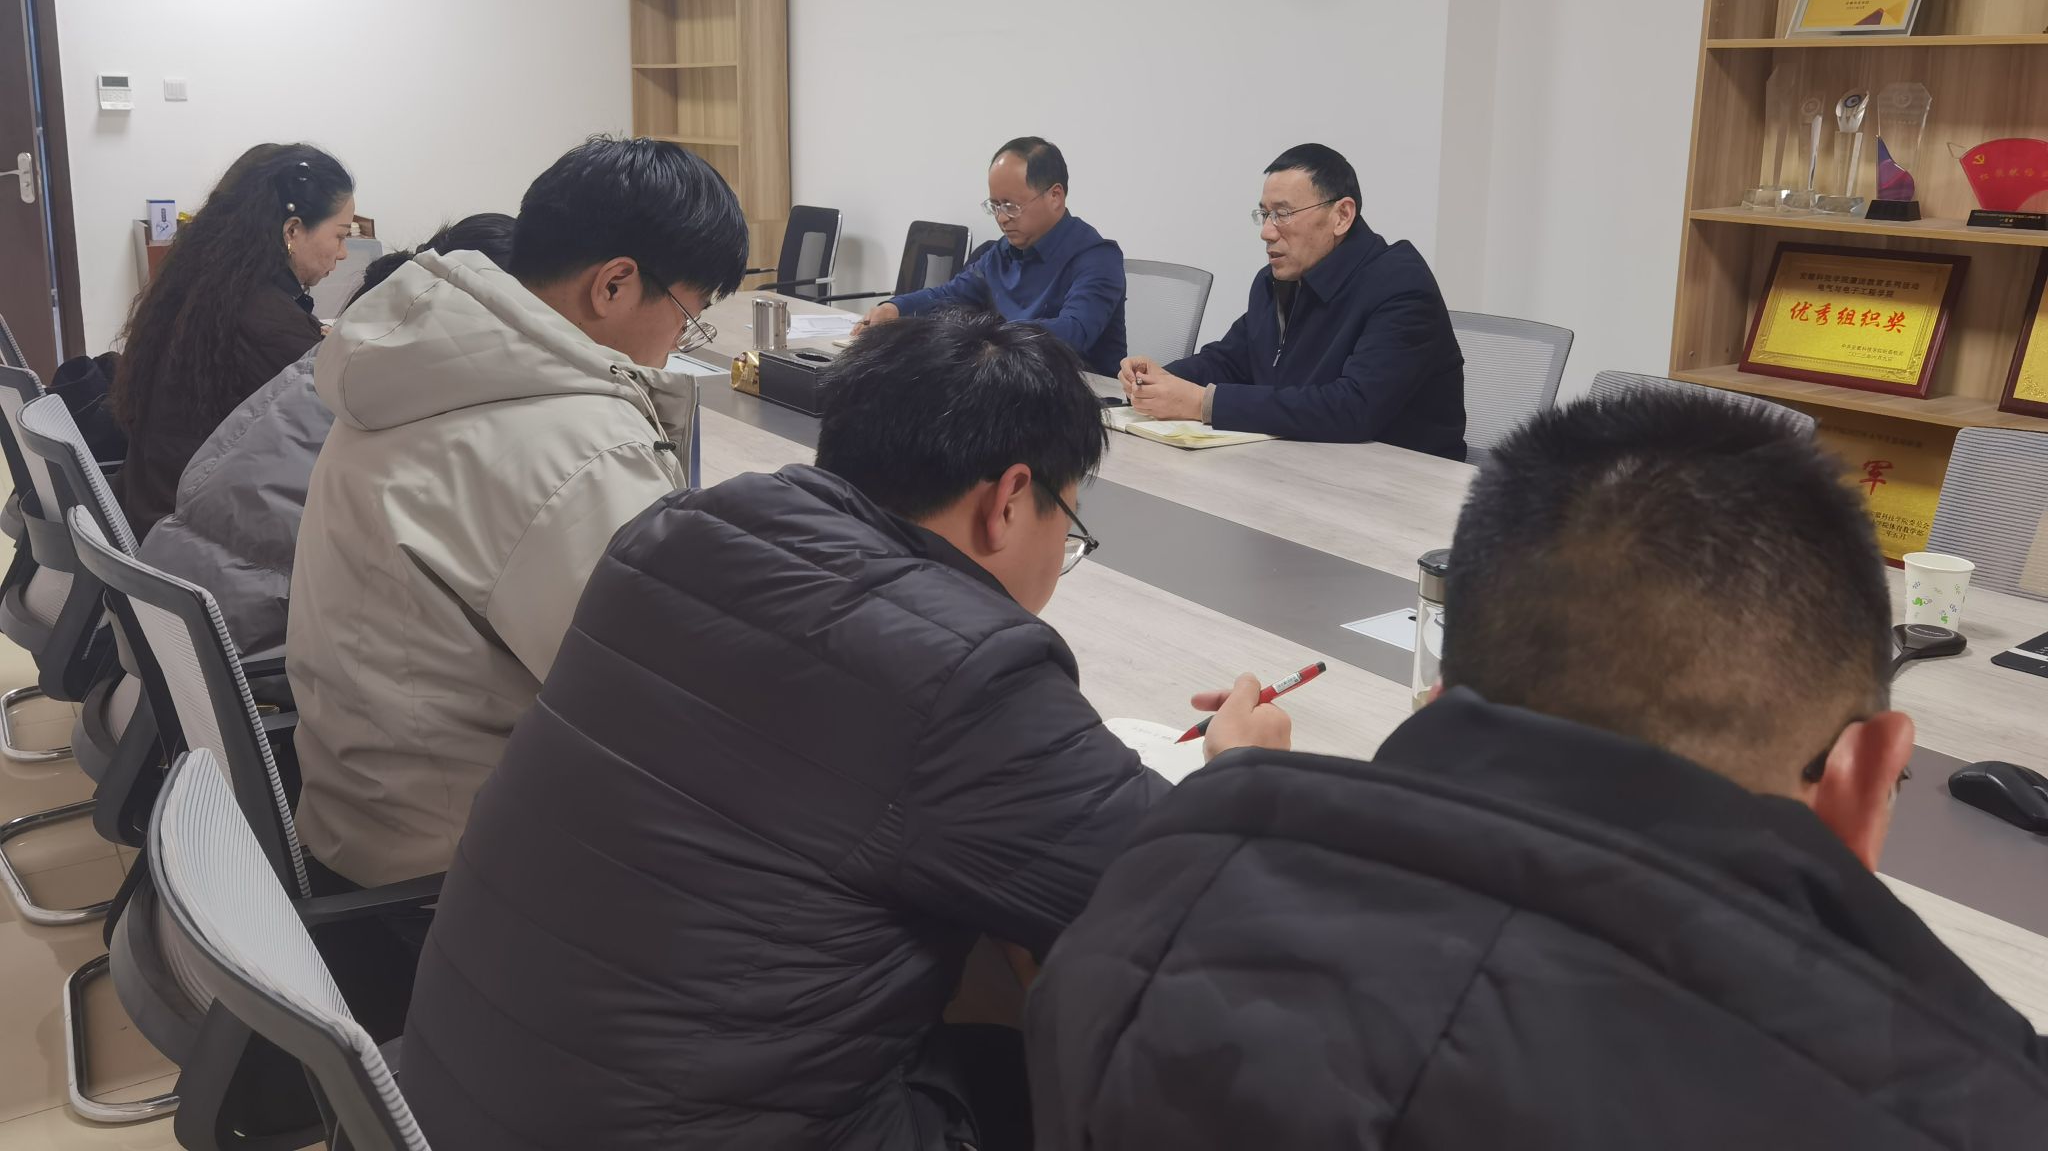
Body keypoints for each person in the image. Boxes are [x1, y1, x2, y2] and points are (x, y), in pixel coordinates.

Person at [1026, 391, 2048, 1149]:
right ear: (1868, 780)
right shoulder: (1971, 1104)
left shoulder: (1153, 903)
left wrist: (1237, 790)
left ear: (1436, 700)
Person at [399, 309, 1291, 1151]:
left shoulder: (673, 535)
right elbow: (1203, 911)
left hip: (456, 1102)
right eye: (1070, 521)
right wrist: (1239, 774)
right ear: (1011, 500)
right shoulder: (965, 671)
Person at [286, 138, 747, 889]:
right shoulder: (579, 449)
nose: (674, 348)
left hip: (362, 811)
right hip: (466, 869)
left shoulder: (419, 368)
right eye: (686, 318)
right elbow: (671, 709)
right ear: (614, 285)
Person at [140, 215, 515, 657]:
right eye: (339, 234)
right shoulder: (422, 406)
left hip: (171, 622)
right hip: (248, 649)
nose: (343, 252)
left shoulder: (330, 360)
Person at [1119, 143, 1465, 456]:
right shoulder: (1275, 281)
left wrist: (1202, 403)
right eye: (1264, 214)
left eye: (1283, 214)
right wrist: (1158, 381)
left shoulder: (1401, 285)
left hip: (1399, 480)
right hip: (1302, 461)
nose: (1266, 231)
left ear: (1342, 215)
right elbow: (1231, 361)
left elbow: (1353, 408)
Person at [113, 145, 355, 539]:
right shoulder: (270, 326)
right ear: (292, 231)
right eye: (340, 236)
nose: (343, 253)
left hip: (152, 511)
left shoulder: (204, 290)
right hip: (194, 539)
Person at [858, 137, 1128, 376]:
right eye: (995, 205)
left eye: (1011, 206)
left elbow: (1073, 333)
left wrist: (986, 337)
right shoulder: (1002, 252)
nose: (1001, 218)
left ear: (1055, 196)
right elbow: (950, 294)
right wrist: (895, 309)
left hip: (1079, 394)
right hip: (1009, 380)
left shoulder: (1097, 258)